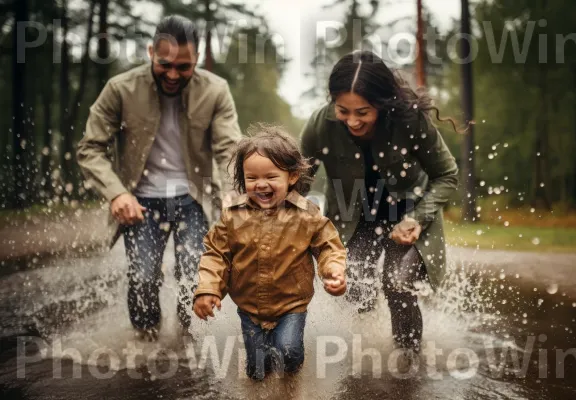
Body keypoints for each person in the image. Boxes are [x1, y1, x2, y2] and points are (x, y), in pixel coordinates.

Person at [76, 15, 242, 341]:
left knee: (194, 277)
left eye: (184, 67)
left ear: (197, 59)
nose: (172, 74)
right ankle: (145, 342)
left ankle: (187, 343)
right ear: (151, 51)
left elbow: (229, 150)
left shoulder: (216, 91)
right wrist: (116, 194)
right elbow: (90, 149)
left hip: (194, 199)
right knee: (143, 277)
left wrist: (232, 193)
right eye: (164, 64)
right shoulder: (120, 89)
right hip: (139, 200)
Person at [299, 50, 459, 352]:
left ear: (383, 104)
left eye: (363, 112)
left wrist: (417, 218)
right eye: (343, 110)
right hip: (353, 219)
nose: (352, 121)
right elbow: (298, 182)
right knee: (355, 286)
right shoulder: (321, 125)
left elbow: (447, 174)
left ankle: (407, 360)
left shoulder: (410, 120)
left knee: (397, 283)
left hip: (410, 216)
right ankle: (363, 359)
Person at [192, 125, 347, 380]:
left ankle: (292, 383)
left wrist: (333, 269)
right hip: (250, 308)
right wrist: (208, 289)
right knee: (257, 370)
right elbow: (215, 255)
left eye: (271, 177)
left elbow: (328, 245)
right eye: (252, 178)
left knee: (288, 352)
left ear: (293, 176)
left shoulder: (306, 215)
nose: (261, 184)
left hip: (291, 305)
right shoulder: (233, 217)